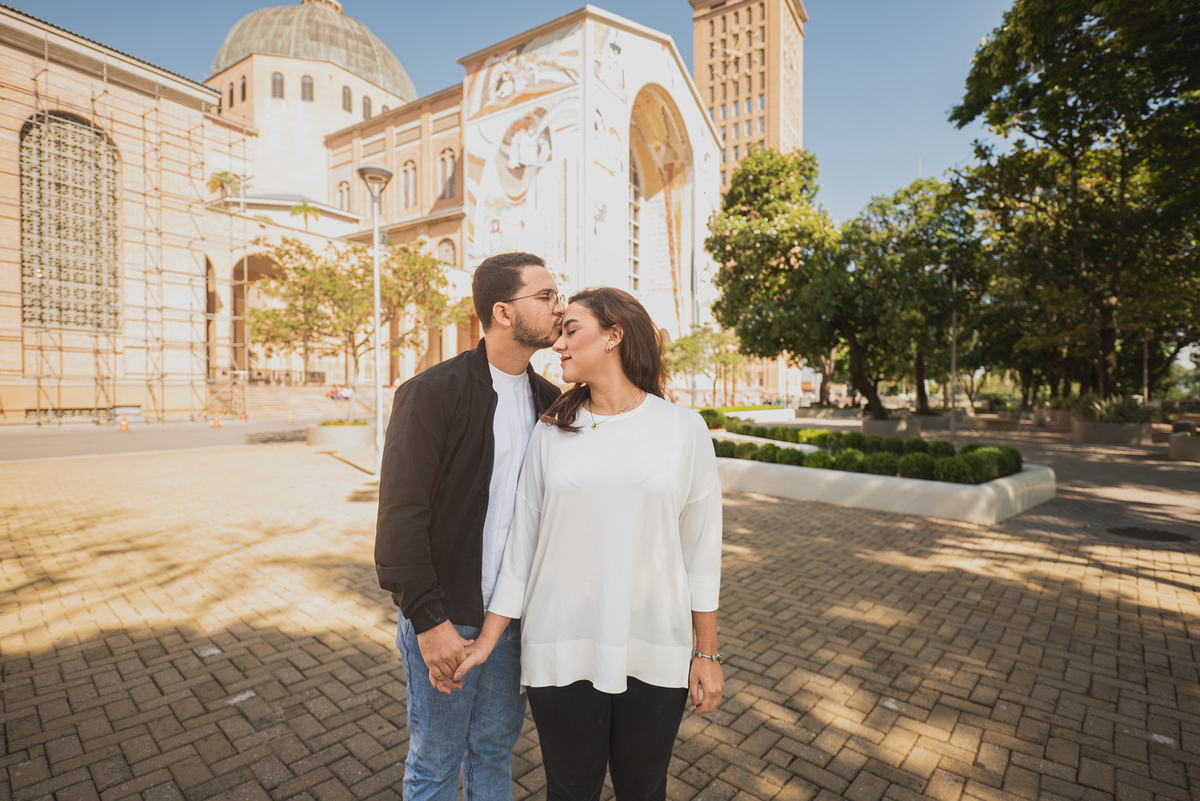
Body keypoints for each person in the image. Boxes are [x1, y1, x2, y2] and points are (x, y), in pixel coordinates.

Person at [450, 287, 724, 801]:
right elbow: (523, 547)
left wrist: (705, 653)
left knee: (644, 791)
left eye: (572, 330)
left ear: (614, 335)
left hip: (653, 648)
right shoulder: (551, 431)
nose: (560, 345)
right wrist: (488, 639)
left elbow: (702, 552)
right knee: (570, 792)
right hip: (562, 648)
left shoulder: (683, 430)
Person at [374, 252, 564, 801]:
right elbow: (400, 518)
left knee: (494, 753)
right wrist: (428, 621)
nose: (560, 307)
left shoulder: (552, 404)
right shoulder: (433, 392)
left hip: (511, 625)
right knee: (435, 761)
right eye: (546, 296)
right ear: (504, 312)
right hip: (447, 620)